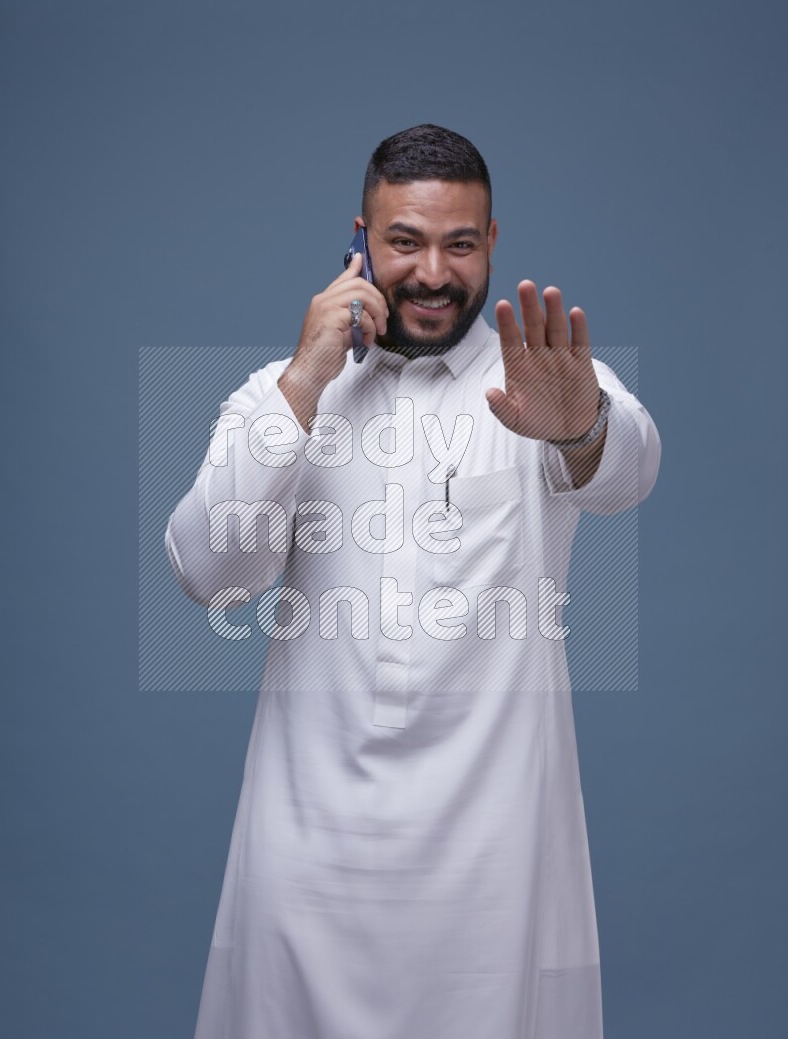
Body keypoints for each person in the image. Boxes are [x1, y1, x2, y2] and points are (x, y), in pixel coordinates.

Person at [166, 124, 661, 1039]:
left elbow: (627, 473)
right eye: (405, 242)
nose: (433, 272)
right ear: (360, 239)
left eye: (459, 244)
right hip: (308, 865)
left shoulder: (541, 380)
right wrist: (306, 382)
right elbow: (211, 572)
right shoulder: (276, 395)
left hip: (496, 873)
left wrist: (578, 428)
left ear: (491, 244)